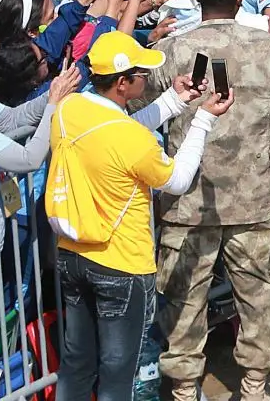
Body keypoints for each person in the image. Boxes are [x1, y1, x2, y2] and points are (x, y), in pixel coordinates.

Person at [48, 31, 233, 401]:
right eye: (140, 75)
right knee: (119, 373)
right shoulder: (133, 140)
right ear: (122, 83)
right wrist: (202, 121)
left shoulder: (69, 110)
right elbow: (177, 179)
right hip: (122, 267)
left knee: (78, 363)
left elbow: (119, 130)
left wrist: (173, 101)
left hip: (72, 256)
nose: (146, 79)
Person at [151, 0, 270, 401]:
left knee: (184, 300)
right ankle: (254, 387)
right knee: (257, 296)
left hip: (185, 201)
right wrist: (268, 171)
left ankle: (183, 389)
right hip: (250, 198)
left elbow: (149, 115)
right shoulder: (266, 48)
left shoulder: (171, 49)